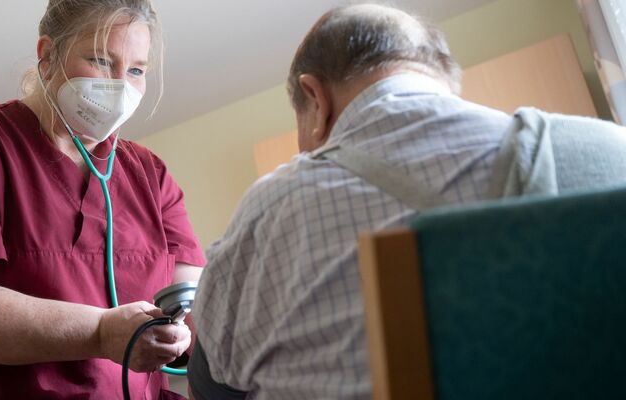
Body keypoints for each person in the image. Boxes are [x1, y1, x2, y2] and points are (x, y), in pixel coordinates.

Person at [188, 4, 626, 400]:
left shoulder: (269, 210)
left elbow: (210, 389)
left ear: (316, 99)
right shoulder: (610, 150)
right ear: (443, 77)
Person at [0, 0, 205, 399]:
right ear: (48, 55)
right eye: (101, 61)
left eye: (136, 70)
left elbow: (195, 303)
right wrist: (101, 333)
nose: (121, 85)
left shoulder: (150, 175)